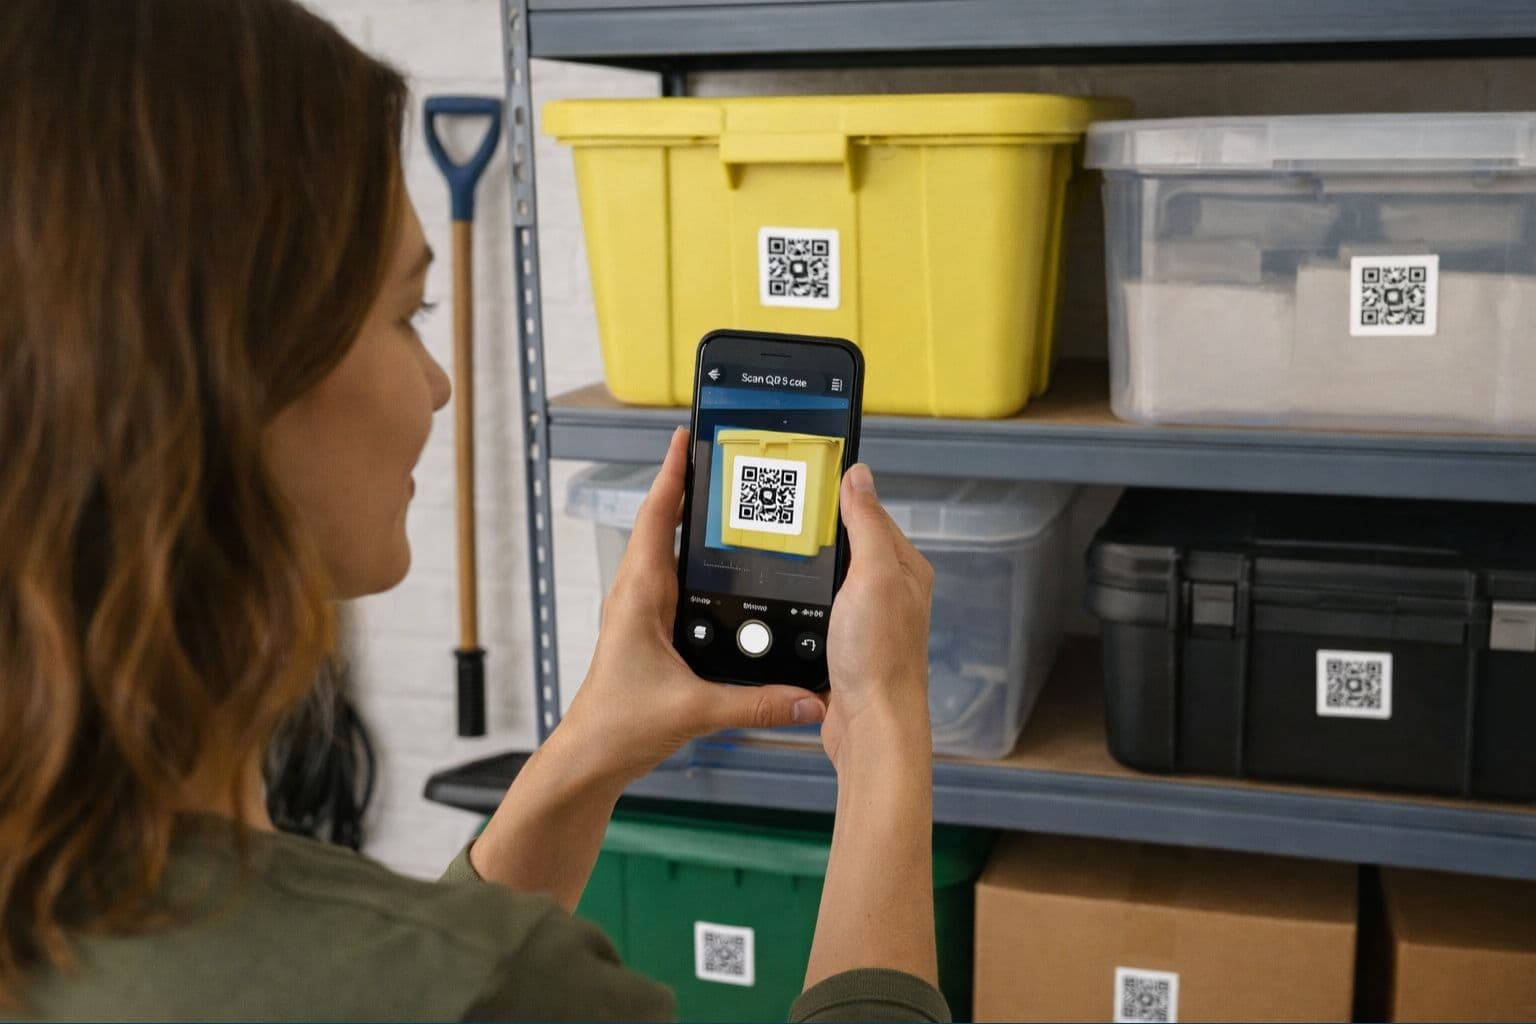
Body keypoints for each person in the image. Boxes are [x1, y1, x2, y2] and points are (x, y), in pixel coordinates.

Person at [0, 0, 946, 1020]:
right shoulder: (494, 987)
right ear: (230, 374)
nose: (441, 383)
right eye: (409, 313)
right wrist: (886, 727)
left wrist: (592, 743)